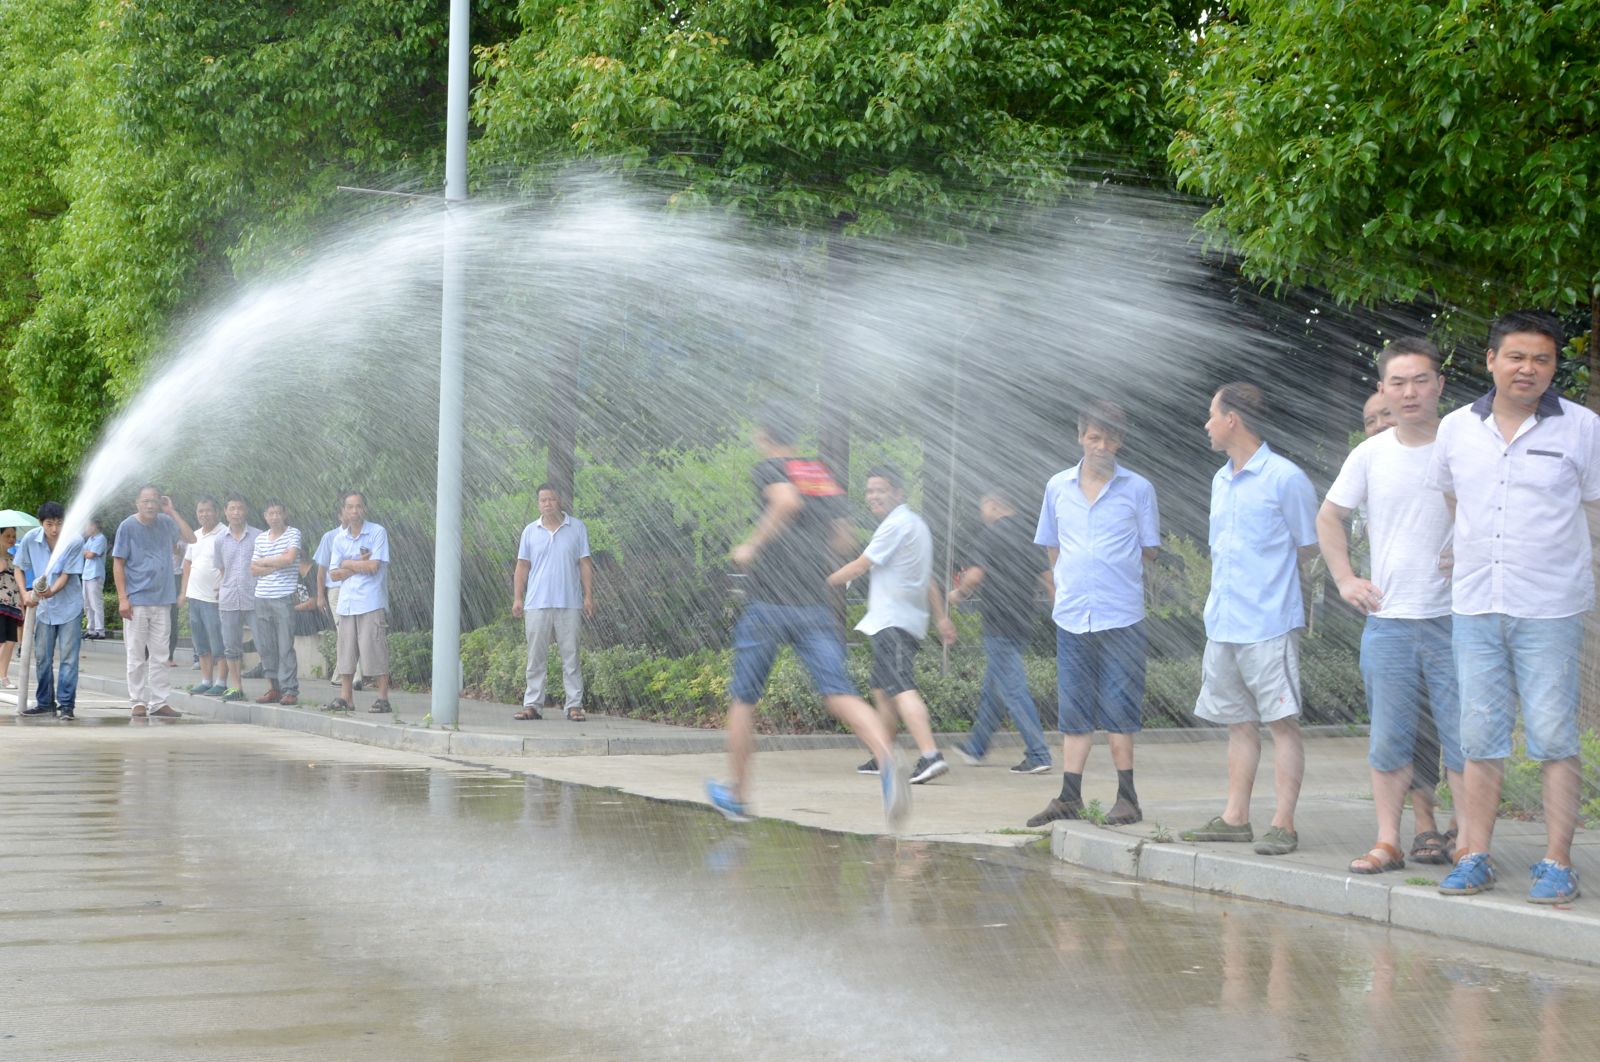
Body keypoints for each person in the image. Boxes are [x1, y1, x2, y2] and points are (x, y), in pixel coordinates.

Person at [1428, 311, 1599, 904]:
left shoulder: (1583, 428)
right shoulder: (1456, 428)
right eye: (1516, 357)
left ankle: (1556, 862)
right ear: (1491, 360)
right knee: (1479, 736)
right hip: (1476, 604)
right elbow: (1454, 498)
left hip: (1550, 607)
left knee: (1553, 736)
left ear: (1554, 367)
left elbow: (1594, 507)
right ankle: (1474, 855)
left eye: (1541, 359)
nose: (1528, 369)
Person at [705, 401, 908, 826]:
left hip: (767, 603)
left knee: (744, 699)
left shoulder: (769, 467)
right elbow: (844, 538)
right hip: (813, 604)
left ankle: (738, 796)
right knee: (839, 693)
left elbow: (785, 502)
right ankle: (887, 758)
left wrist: (752, 546)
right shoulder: (818, 473)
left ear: (763, 435)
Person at [1318, 338, 1463, 875]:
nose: (1410, 392)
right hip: (1389, 622)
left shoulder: (1463, 444)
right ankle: (1387, 842)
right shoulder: (1370, 453)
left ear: (1439, 385)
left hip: (1457, 619)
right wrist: (1345, 578)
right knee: (1388, 739)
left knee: (1464, 739)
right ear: (1383, 389)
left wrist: (1467, 544)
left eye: (1421, 380)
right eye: (1397, 382)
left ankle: (1469, 843)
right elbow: (1328, 517)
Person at [1181, 383, 1319, 856]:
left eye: (1211, 415)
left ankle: (1284, 823)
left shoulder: (1285, 478)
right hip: (1223, 622)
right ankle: (1235, 818)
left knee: (1282, 722)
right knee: (1238, 723)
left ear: (1232, 419)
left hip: (1269, 622)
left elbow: (1308, 545)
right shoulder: (1220, 480)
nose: (1206, 424)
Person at [1026, 401, 1162, 827]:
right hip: (1072, 615)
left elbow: (1149, 550)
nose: (1102, 446)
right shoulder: (1057, 487)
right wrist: (1065, 585)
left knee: (1120, 705)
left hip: (1122, 615)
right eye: (1094, 437)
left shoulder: (1138, 488)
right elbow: (1052, 544)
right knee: (1073, 708)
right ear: (1080, 437)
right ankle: (1069, 797)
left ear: (1121, 441)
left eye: (1110, 439)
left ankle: (1128, 799)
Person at [825, 465, 956, 784]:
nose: (873, 496)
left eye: (880, 490)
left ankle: (930, 755)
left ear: (898, 492)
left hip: (894, 621)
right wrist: (941, 618)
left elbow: (860, 565)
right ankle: (884, 754)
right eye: (869, 490)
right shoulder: (916, 525)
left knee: (901, 688)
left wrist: (821, 583)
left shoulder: (895, 525)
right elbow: (929, 580)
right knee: (882, 689)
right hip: (899, 621)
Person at [949, 486, 1053, 773]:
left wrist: (958, 593)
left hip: (998, 622)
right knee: (994, 690)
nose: (982, 513)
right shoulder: (1031, 534)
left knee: (1013, 690)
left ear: (994, 505)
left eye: (983, 506)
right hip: (1022, 621)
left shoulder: (991, 534)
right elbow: (1048, 578)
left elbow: (975, 576)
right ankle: (976, 747)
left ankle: (1039, 754)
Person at [511, 484, 594, 722]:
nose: (547, 504)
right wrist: (518, 598)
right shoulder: (530, 531)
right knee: (535, 657)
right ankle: (532, 705)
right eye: (543, 500)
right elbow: (522, 566)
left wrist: (588, 596)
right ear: (538, 504)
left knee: (571, 655)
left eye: (551, 499)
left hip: (569, 601)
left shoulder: (577, 528)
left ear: (560, 501)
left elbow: (585, 563)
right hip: (536, 602)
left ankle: (574, 705)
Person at [111, 484, 195, 717]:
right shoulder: (127, 526)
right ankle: (137, 701)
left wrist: (172, 511)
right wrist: (122, 598)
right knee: (136, 654)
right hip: (137, 600)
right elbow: (118, 563)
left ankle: (159, 702)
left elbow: (191, 538)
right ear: (137, 503)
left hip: (163, 599)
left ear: (160, 502)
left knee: (161, 655)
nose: (150, 505)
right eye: (145, 501)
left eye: (154, 501)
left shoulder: (166, 522)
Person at [17, 503, 86, 718]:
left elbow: (67, 574)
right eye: (49, 524)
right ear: (41, 523)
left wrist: (51, 591)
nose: (54, 529)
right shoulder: (30, 539)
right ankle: (45, 703)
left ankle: (66, 706)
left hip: (69, 607)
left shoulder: (74, 541)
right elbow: (19, 567)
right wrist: (25, 594)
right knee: (43, 658)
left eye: (59, 524)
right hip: (43, 609)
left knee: (69, 658)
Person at [327, 492, 392, 714]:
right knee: (346, 652)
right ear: (344, 511)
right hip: (346, 603)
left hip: (370, 601)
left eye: (358, 506)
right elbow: (334, 574)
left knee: (375, 649)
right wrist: (356, 564)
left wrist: (347, 563)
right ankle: (346, 698)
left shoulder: (377, 532)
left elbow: (373, 567)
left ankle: (382, 698)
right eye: (350, 507)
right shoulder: (339, 539)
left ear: (364, 509)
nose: (354, 511)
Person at [249, 499, 302, 705]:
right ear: (265, 516)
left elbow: (289, 559)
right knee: (266, 646)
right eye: (271, 513)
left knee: (285, 645)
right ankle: (273, 688)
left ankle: (290, 690)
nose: (275, 517)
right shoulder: (261, 538)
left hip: (283, 596)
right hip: (261, 596)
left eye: (278, 513)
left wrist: (264, 561)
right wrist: (275, 563)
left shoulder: (293, 533)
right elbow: (253, 569)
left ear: (284, 514)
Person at [213, 494, 260, 703]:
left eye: (240, 508)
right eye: (232, 508)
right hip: (229, 598)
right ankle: (236, 687)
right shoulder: (219, 539)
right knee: (231, 646)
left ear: (246, 510)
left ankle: (273, 687)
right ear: (225, 512)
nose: (236, 512)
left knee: (264, 642)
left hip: (254, 597)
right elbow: (222, 568)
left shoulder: (258, 536)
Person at [313, 491, 361, 689]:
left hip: (358, 588)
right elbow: (321, 570)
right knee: (344, 630)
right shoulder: (330, 537)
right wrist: (320, 596)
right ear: (340, 515)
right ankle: (355, 675)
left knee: (356, 631)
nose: (351, 514)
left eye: (355, 509)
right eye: (347, 510)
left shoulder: (364, 534)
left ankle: (340, 675)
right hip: (337, 590)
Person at [180, 496, 228, 695]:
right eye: (200, 511)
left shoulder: (225, 534)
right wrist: (183, 593)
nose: (204, 514)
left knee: (219, 643)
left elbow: (230, 564)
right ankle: (206, 681)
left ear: (216, 512)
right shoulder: (195, 535)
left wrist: (224, 586)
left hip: (214, 599)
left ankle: (222, 683)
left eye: (208, 510)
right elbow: (187, 564)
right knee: (200, 643)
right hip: (195, 598)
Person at [0, 527, 21, 688]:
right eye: (7, 535)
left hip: (12, 606)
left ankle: (4, 677)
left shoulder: (15, 558)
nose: (11, 539)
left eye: (13, 536)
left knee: (10, 642)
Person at [81, 518, 107, 639]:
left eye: (87, 526)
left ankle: (100, 630)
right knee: (87, 604)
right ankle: (91, 629)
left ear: (94, 526)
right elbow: (83, 552)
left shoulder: (101, 538)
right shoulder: (90, 539)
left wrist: (86, 552)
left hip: (95, 575)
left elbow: (90, 555)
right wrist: (86, 552)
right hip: (86, 575)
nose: (86, 528)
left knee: (96, 603)